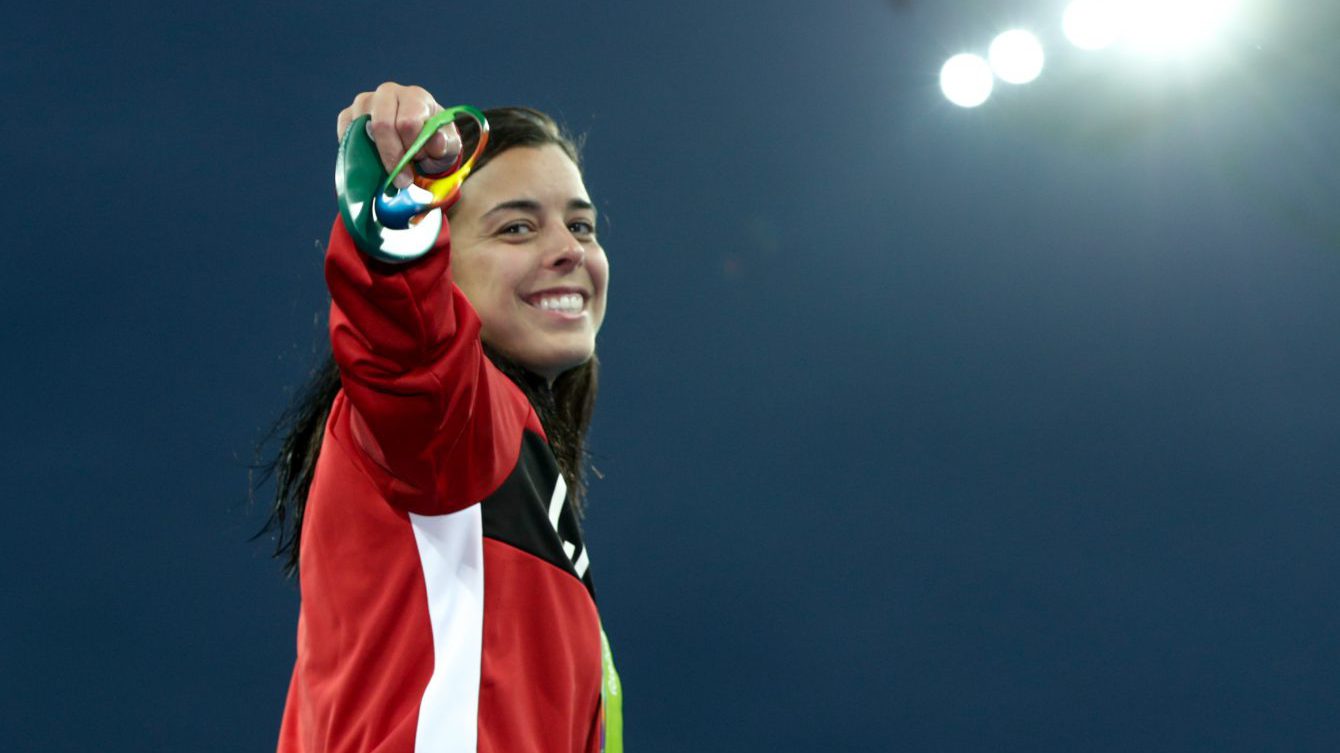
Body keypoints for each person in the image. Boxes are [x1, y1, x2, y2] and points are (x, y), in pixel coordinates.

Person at [258, 82, 622, 753]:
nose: (570, 249)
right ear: (439, 266)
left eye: (581, 225)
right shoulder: (453, 422)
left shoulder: (526, 472)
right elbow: (407, 340)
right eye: (517, 226)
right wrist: (399, 209)